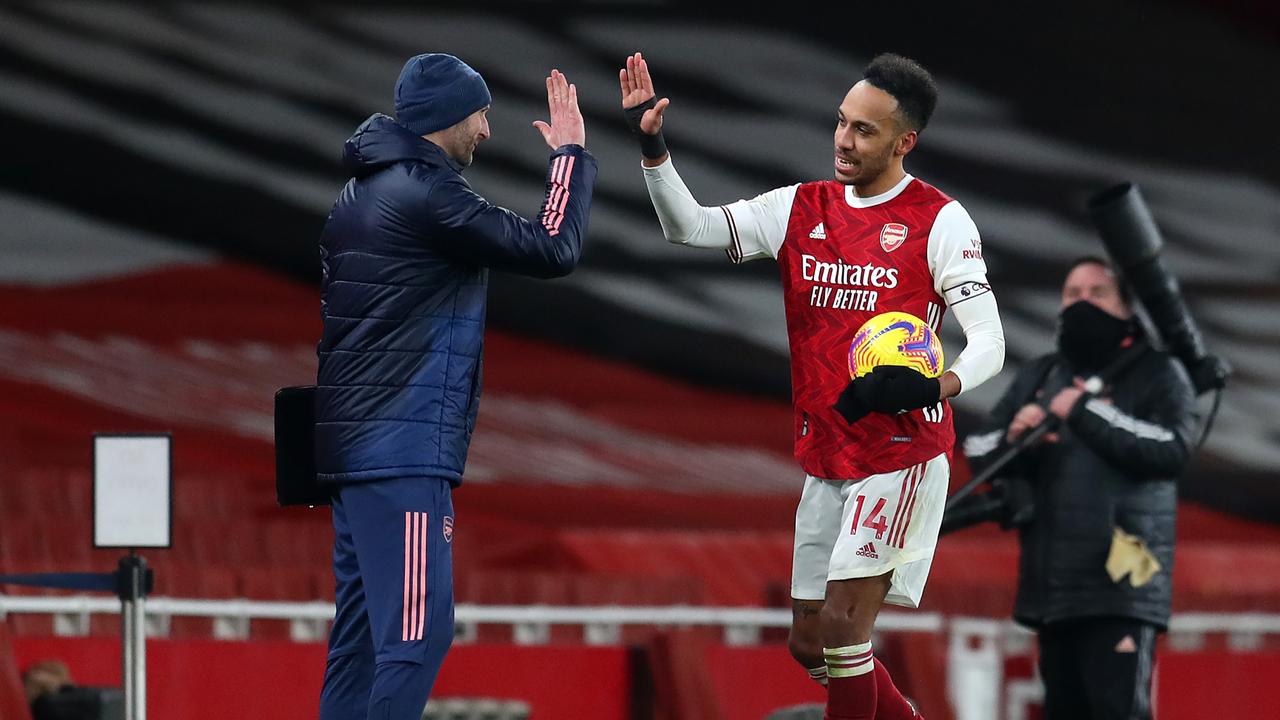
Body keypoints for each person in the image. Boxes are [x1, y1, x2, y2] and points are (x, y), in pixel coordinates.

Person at [620, 52, 1006, 720]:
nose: (843, 140)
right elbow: (689, 227)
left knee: (842, 629)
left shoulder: (939, 221)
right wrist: (653, 149)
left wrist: (931, 387)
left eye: (863, 131)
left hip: (901, 454)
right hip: (827, 450)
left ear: (903, 142)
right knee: (809, 643)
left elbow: (992, 344)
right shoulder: (802, 208)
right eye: (841, 122)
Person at [314, 53, 596, 719]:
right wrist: (571, 159)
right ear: (446, 118)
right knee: (419, 631)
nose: (487, 131)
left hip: (354, 452)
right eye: (480, 114)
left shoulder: (359, 193)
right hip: (401, 448)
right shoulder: (427, 194)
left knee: (360, 641)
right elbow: (552, 246)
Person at [961, 257, 1197, 720]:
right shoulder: (1041, 375)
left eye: (1097, 293)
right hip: (1052, 589)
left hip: (1120, 587)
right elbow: (979, 447)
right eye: (1072, 295)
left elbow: (1173, 447)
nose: (1082, 304)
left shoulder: (1158, 372)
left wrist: (1084, 410)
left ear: (1128, 309)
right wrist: (1015, 436)